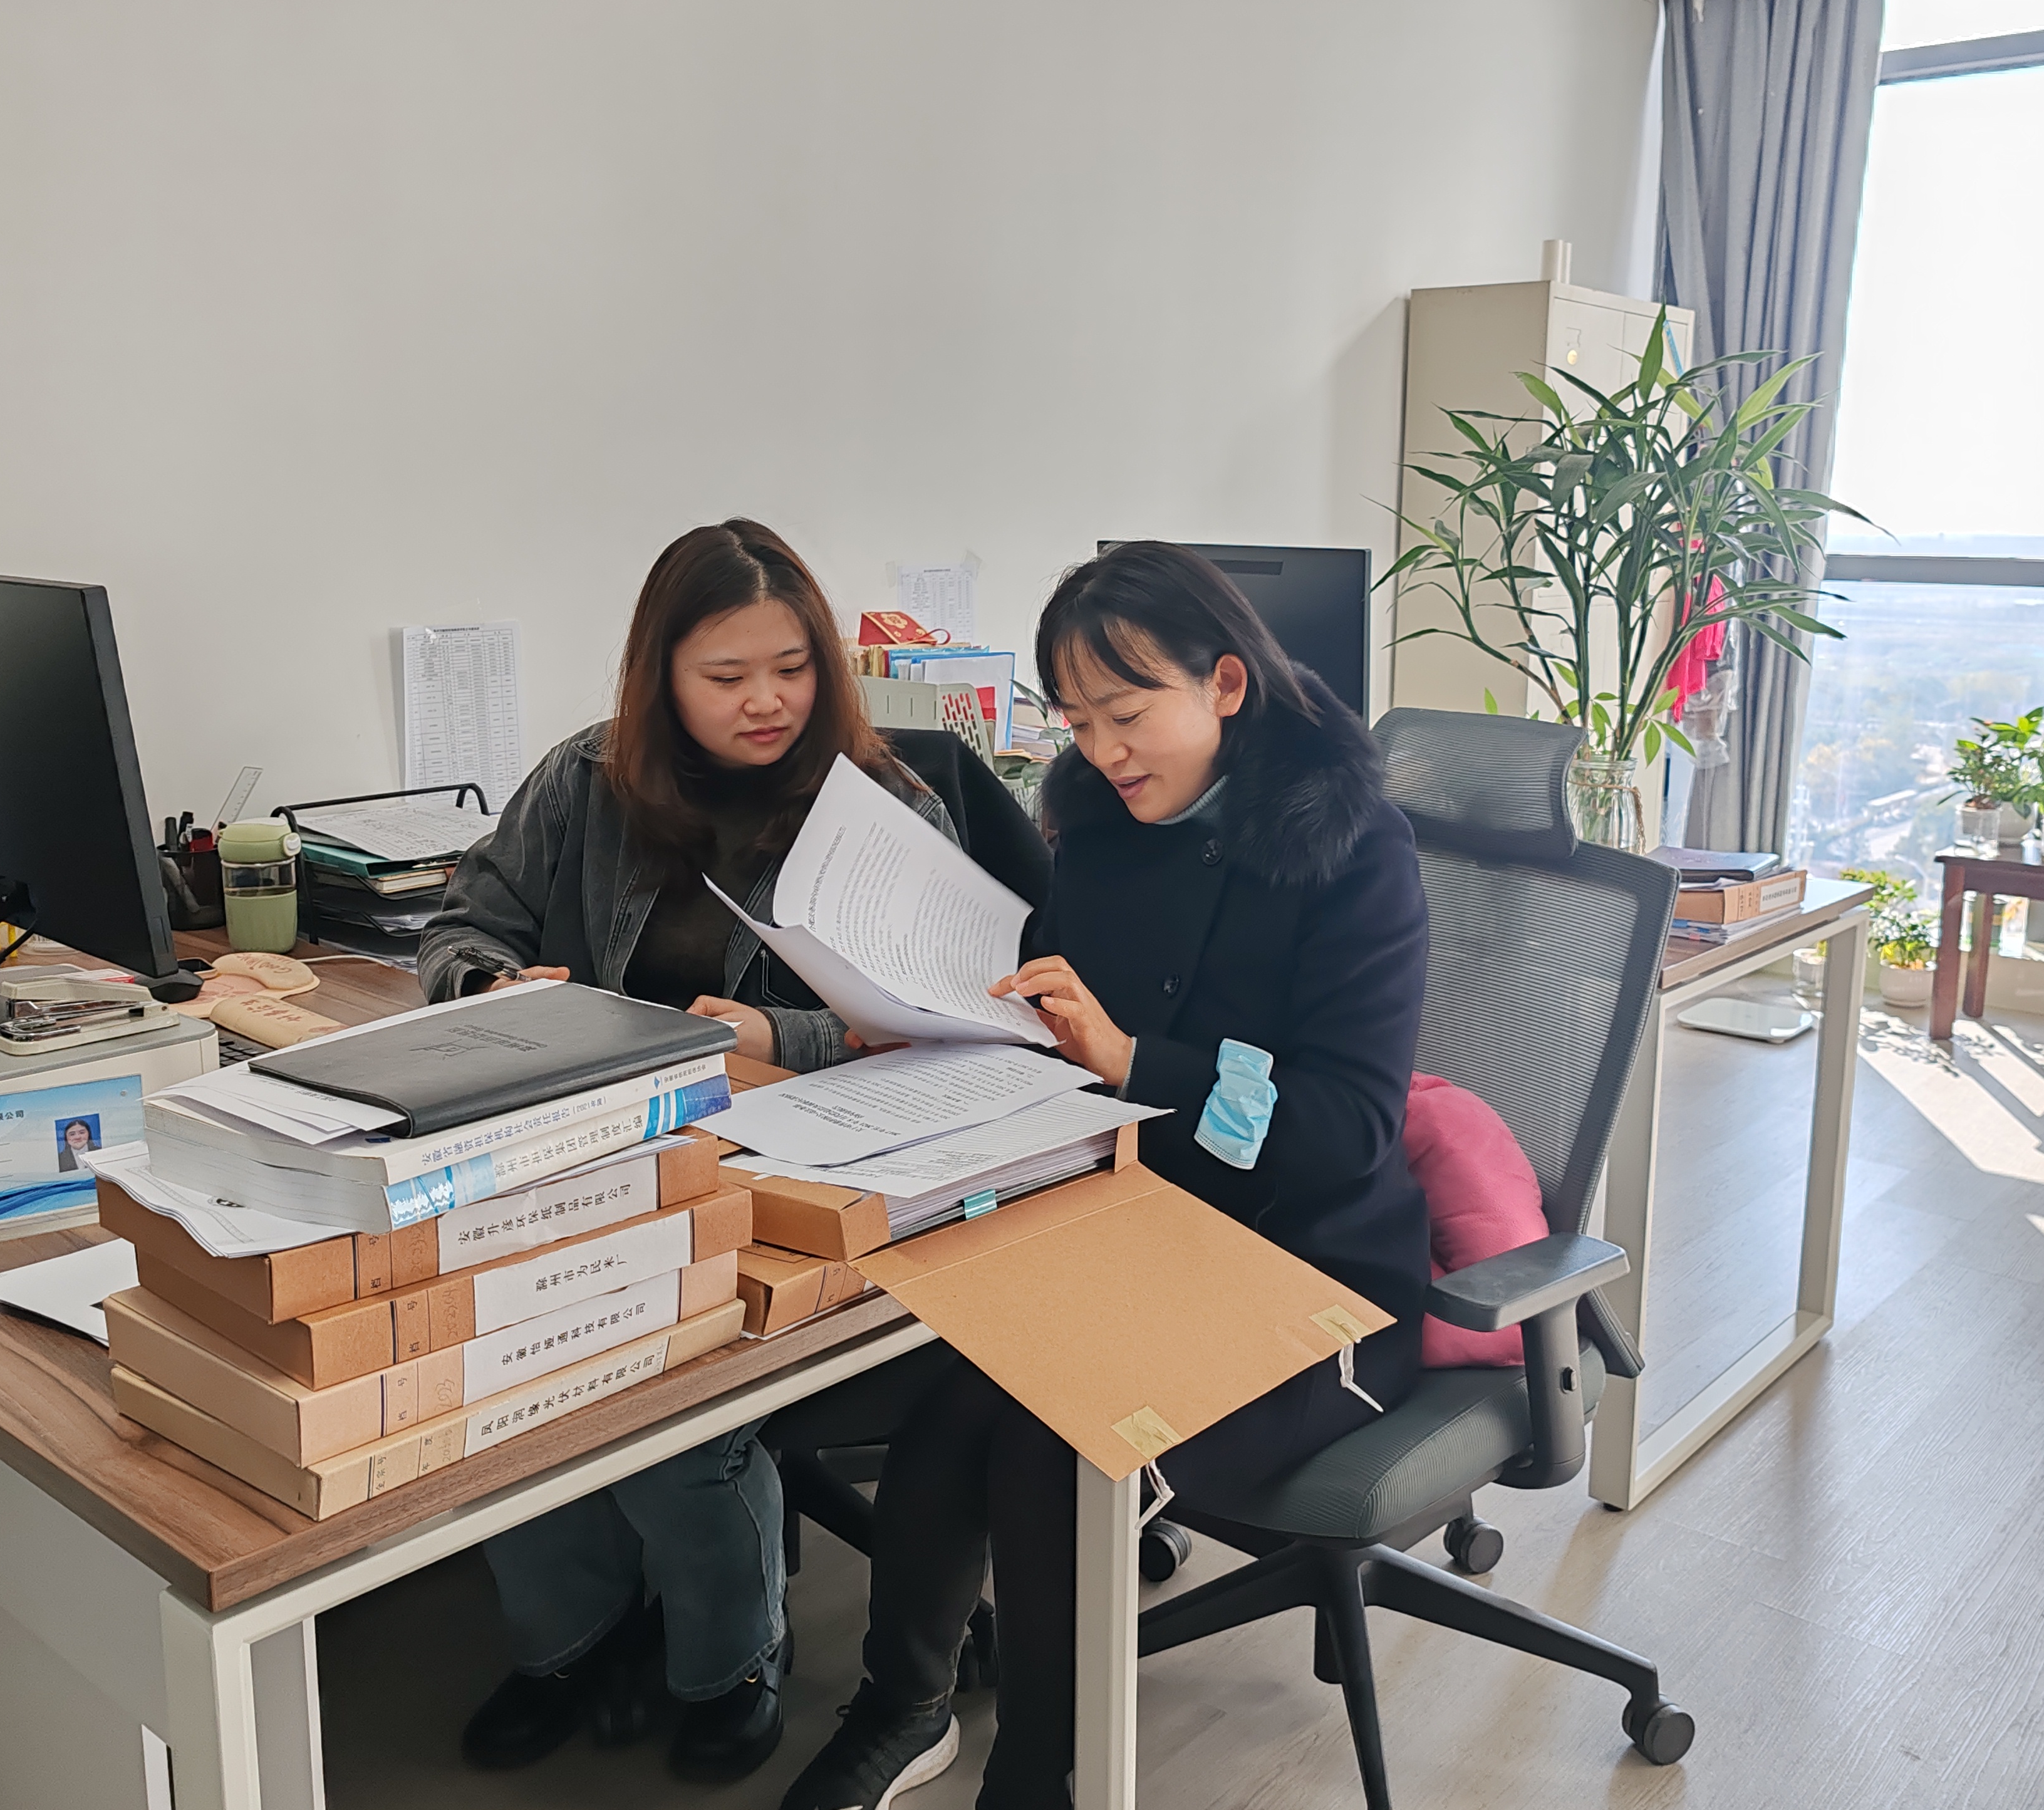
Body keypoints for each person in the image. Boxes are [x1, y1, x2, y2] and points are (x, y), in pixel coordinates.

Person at [781, 541, 1431, 1810]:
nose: (1103, 751)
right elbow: (1058, 1022)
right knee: (954, 1403)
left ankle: (1042, 1769)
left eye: (1127, 715)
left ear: (1225, 684)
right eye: (1077, 721)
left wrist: (1138, 1058)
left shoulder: (1354, 853)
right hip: (1134, 1227)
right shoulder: (1093, 827)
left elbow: (1348, 1127)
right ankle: (903, 1707)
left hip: (1313, 1276)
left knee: (1052, 1440)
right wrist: (933, 1021)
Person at [418, 518, 963, 1783]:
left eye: (792, 668)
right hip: (593, 1158)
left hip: (791, 1186)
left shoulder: (887, 812)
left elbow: (946, 1024)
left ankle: (731, 1657)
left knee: (669, 1407)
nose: (766, 701)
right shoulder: (586, 779)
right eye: (726, 676)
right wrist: (493, 987)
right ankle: (573, 1640)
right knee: (502, 1368)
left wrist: (778, 1033)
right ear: (660, 675)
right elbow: (458, 927)